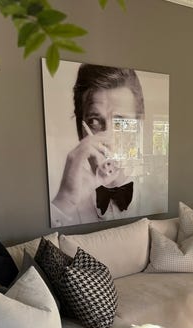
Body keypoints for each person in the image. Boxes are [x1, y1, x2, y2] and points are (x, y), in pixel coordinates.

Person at [50, 64, 145, 226]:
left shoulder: (159, 197)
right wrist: (65, 201)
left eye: (121, 123)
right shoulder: (63, 208)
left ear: (138, 130)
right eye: (94, 121)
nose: (109, 139)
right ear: (80, 131)